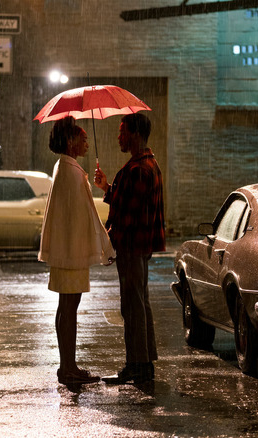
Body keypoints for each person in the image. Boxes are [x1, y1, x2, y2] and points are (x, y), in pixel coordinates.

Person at [38, 116, 115, 385]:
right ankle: (68, 367)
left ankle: (67, 365)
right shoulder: (72, 171)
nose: (86, 143)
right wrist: (106, 246)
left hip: (66, 250)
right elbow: (88, 215)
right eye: (82, 139)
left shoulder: (64, 167)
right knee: (69, 308)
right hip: (71, 252)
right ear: (70, 142)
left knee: (66, 307)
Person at [93, 113, 165, 384]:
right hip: (139, 246)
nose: (118, 136)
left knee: (132, 307)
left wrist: (111, 240)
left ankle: (137, 365)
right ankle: (144, 363)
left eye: (122, 131)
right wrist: (107, 188)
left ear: (135, 134)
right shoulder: (148, 164)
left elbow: (128, 214)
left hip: (132, 246)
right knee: (139, 304)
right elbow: (128, 202)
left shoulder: (139, 170)